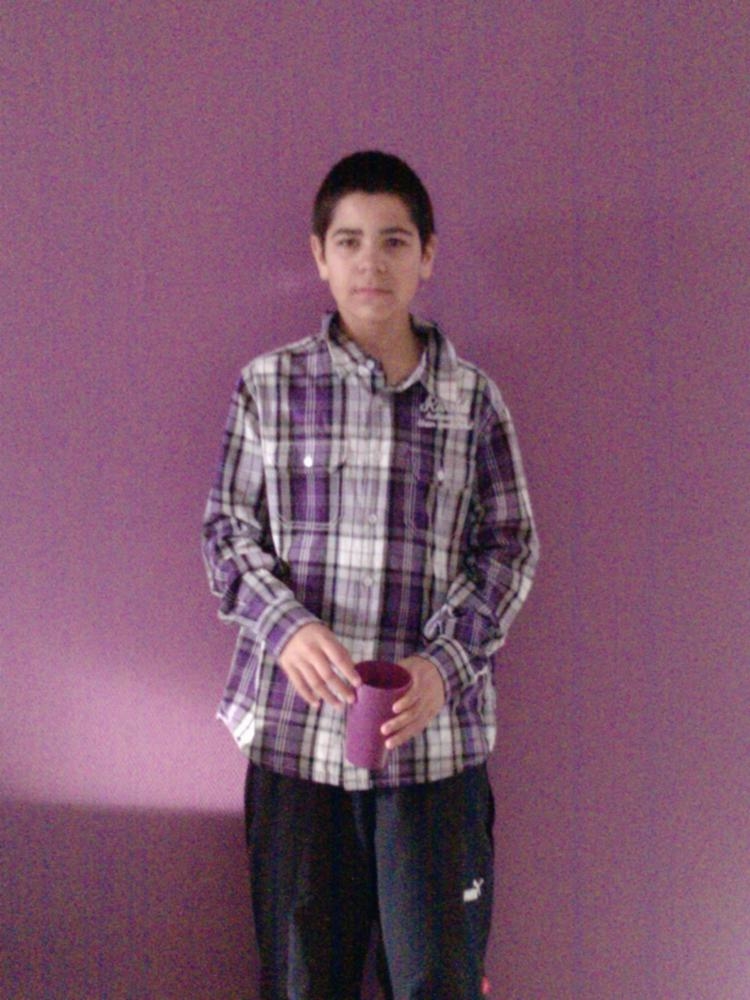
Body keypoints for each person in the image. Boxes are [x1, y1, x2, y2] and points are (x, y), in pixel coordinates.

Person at [202, 150, 539, 1000]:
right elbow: (228, 534)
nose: (371, 262)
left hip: (434, 752)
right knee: (301, 980)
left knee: (437, 981)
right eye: (349, 241)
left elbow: (509, 548)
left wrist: (443, 666)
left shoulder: (473, 401)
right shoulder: (270, 387)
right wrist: (287, 628)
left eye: (394, 241)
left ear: (428, 255)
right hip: (296, 743)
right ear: (319, 255)